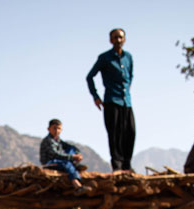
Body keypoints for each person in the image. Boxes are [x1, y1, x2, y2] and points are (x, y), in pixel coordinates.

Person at [86, 28, 136, 172]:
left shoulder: (129, 57)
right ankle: (117, 165)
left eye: (120, 37)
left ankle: (127, 164)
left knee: (130, 131)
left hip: (126, 101)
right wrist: (95, 96)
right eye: (115, 38)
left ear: (124, 39)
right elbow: (89, 77)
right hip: (111, 100)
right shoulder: (104, 58)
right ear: (110, 40)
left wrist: (128, 88)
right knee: (114, 133)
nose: (118, 40)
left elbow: (131, 75)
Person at [40, 119, 90, 194]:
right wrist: (72, 157)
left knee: (71, 149)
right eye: (54, 128)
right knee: (67, 164)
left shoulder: (58, 140)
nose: (57, 130)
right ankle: (77, 185)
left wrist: (77, 155)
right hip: (49, 163)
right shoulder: (48, 140)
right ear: (49, 129)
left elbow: (71, 147)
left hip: (60, 161)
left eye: (59, 128)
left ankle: (74, 164)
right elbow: (55, 154)